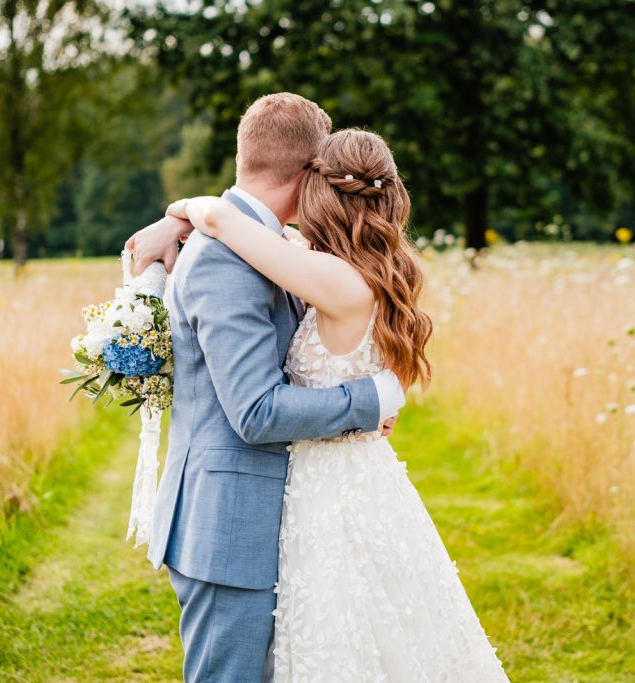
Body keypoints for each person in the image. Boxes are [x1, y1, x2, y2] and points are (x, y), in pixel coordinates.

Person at [166, 128, 509, 681]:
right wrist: (172, 222)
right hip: (342, 477)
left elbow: (223, 219)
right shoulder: (348, 266)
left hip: (330, 489)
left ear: (320, 189)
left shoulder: (328, 276)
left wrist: (186, 209)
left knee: (338, 637)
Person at [126, 94, 405, 682]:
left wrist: (178, 216)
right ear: (309, 174)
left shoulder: (273, 245)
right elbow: (255, 412)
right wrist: (371, 399)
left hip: (276, 518)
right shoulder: (226, 259)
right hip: (230, 526)